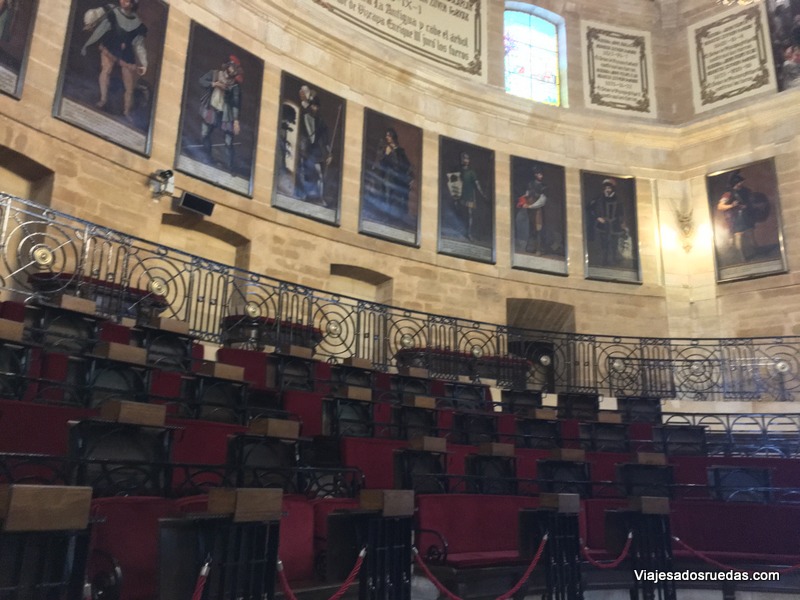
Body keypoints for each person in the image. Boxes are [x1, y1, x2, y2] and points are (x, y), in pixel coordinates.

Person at [81, 0, 148, 119]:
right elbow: (95, 15)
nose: (124, 2)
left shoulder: (138, 24)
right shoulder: (112, 10)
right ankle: (103, 99)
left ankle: (126, 111)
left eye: (128, 1)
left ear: (133, 4)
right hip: (110, 46)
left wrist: (144, 62)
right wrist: (89, 22)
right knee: (106, 70)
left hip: (126, 54)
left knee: (129, 86)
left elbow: (139, 45)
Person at [198, 55, 243, 172]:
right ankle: (208, 159)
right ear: (228, 66)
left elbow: (235, 104)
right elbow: (201, 81)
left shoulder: (235, 85)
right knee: (205, 134)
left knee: (228, 142)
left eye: (236, 69)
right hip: (211, 109)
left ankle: (231, 167)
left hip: (225, 115)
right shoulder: (214, 74)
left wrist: (236, 121)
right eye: (233, 67)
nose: (234, 71)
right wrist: (214, 84)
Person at [717, 171, 769, 261]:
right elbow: (720, 206)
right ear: (735, 183)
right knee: (739, 236)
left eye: (741, 182)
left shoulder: (745, 191)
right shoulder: (728, 194)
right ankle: (742, 257)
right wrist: (732, 205)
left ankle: (756, 252)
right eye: (739, 183)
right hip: (736, 218)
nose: (741, 184)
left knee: (751, 233)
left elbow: (749, 201)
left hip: (747, 215)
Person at [370, 128, 413, 217]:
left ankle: (398, 214)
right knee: (387, 195)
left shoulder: (400, 151)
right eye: (386, 135)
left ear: (393, 137)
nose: (387, 137)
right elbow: (381, 162)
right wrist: (386, 154)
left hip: (397, 176)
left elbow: (406, 164)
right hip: (388, 175)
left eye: (389, 135)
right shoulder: (385, 148)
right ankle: (386, 214)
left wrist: (410, 176)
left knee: (398, 196)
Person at [296, 95, 332, 203]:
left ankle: (320, 197)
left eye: (316, 106)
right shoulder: (304, 117)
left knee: (320, 176)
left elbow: (326, 140)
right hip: (306, 151)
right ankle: (304, 195)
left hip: (317, 152)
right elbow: (301, 135)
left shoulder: (321, 122)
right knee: (305, 174)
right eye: (313, 106)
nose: (314, 108)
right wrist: (302, 148)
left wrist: (329, 153)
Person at [588, 178, 627, 266]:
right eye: (606, 188)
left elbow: (621, 212)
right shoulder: (599, 198)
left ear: (612, 189)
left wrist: (622, 223)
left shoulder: (617, 199)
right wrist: (598, 217)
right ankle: (604, 260)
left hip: (615, 225)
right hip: (603, 224)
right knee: (604, 243)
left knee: (614, 243)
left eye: (609, 188)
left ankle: (614, 259)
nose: (607, 190)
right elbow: (591, 209)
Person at [451, 152, 487, 241]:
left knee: (469, 214)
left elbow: (477, 184)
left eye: (467, 159)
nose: (465, 160)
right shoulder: (457, 170)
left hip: (469, 196)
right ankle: (459, 231)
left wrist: (482, 194)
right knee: (459, 212)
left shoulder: (471, 172)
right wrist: (455, 196)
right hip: (459, 195)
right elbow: (453, 182)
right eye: (464, 158)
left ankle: (468, 233)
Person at [516, 164, 547, 254]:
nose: (541, 176)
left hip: (538, 210)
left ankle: (539, 248)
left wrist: (530, 206)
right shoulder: (530, 184)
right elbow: (527, 194)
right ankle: (530, 246)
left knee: (538, 229)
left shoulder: (544, 186)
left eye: (541, 174)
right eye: (539, 174)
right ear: (535, 175)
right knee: (530, 227)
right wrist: (523, 200)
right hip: (529, 210)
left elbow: (542, 200)